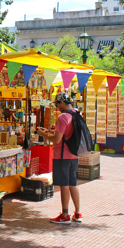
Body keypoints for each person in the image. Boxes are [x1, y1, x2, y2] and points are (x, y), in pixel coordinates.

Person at [37, 92, 82, 224]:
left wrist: (42, 134)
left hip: (62, 156)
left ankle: (65, 215)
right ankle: (77, 213)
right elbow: (66, 134)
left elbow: (57, 139)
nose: (56, 107)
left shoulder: (63, 117)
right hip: (74, 155)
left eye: (57, 104)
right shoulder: (76, 114)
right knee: (72, 183)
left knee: (64, 185)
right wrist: (50, 132)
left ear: (62, 102)